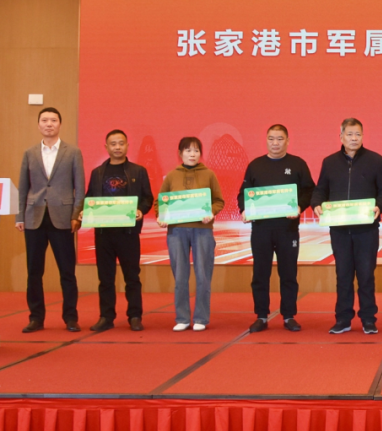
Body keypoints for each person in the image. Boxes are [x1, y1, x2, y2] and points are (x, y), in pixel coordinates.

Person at [311, 118, 382, 335]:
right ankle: (343, 319)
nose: (354, 138)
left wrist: (379, 206)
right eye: (349, 134)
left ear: (363, 136)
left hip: (366, 230)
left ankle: (368, 319)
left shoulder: (376, 161)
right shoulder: (329, 162)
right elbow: (320, 190)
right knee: (343, 275)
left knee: (366, 275)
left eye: (358, 134)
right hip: (339, 230)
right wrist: (316, 204)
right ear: (341, 137)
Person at [238, 124, 315, 333]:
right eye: (271, 138)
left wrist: (299, 206)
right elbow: (244, 193)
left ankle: (289, 316)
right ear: (266, 140)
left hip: (287, 229)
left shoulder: (297, 164)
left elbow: (310, 191)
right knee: (260, 274)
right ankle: (261, 316)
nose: (275, 143)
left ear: (287, 141)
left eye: (280, 139)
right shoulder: (255, 165)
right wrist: (244, 209)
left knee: (288, 274)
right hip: (261, 229)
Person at [16, 107, 85, 333]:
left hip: (63, 218)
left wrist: (76, 215)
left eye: (53, 120)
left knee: (67, 271)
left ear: (59, 124)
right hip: (33, 218)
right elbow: (23, 187)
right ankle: (36, 318)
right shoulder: (29, 153)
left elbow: (79, 187)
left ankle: (71, 318)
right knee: (34, 272)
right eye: (44, 120)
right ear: (38, 125)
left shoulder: (72, 152)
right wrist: (19, 216)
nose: (49, 124)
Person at [81, 129, 154, 332]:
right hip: (103, 233)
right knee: (105, 278)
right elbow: (90, 198)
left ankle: (135, 316)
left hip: (128, 233)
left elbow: (148, 197)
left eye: (121, 143)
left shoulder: (138, 171)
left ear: (127, 146)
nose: (117, 147)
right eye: (113, 144)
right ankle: (106, 317)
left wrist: (141, 210)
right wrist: (85, 211)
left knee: (132, 277)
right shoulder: (97, 173)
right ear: (106, 147)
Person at [158, 137, 225, 332]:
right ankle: (182, 318)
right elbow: (161, 202)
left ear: (200, 154)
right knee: (180, 276)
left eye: (196, 150)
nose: (192, 154)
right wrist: (161, 216)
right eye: (188, 150)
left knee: (203, 275)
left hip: (202, 230)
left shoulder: (209, 174)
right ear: (180, 153)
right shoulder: (172, 176)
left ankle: (201, 318)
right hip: (176, 231)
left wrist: (211, 212)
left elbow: (219, 201)